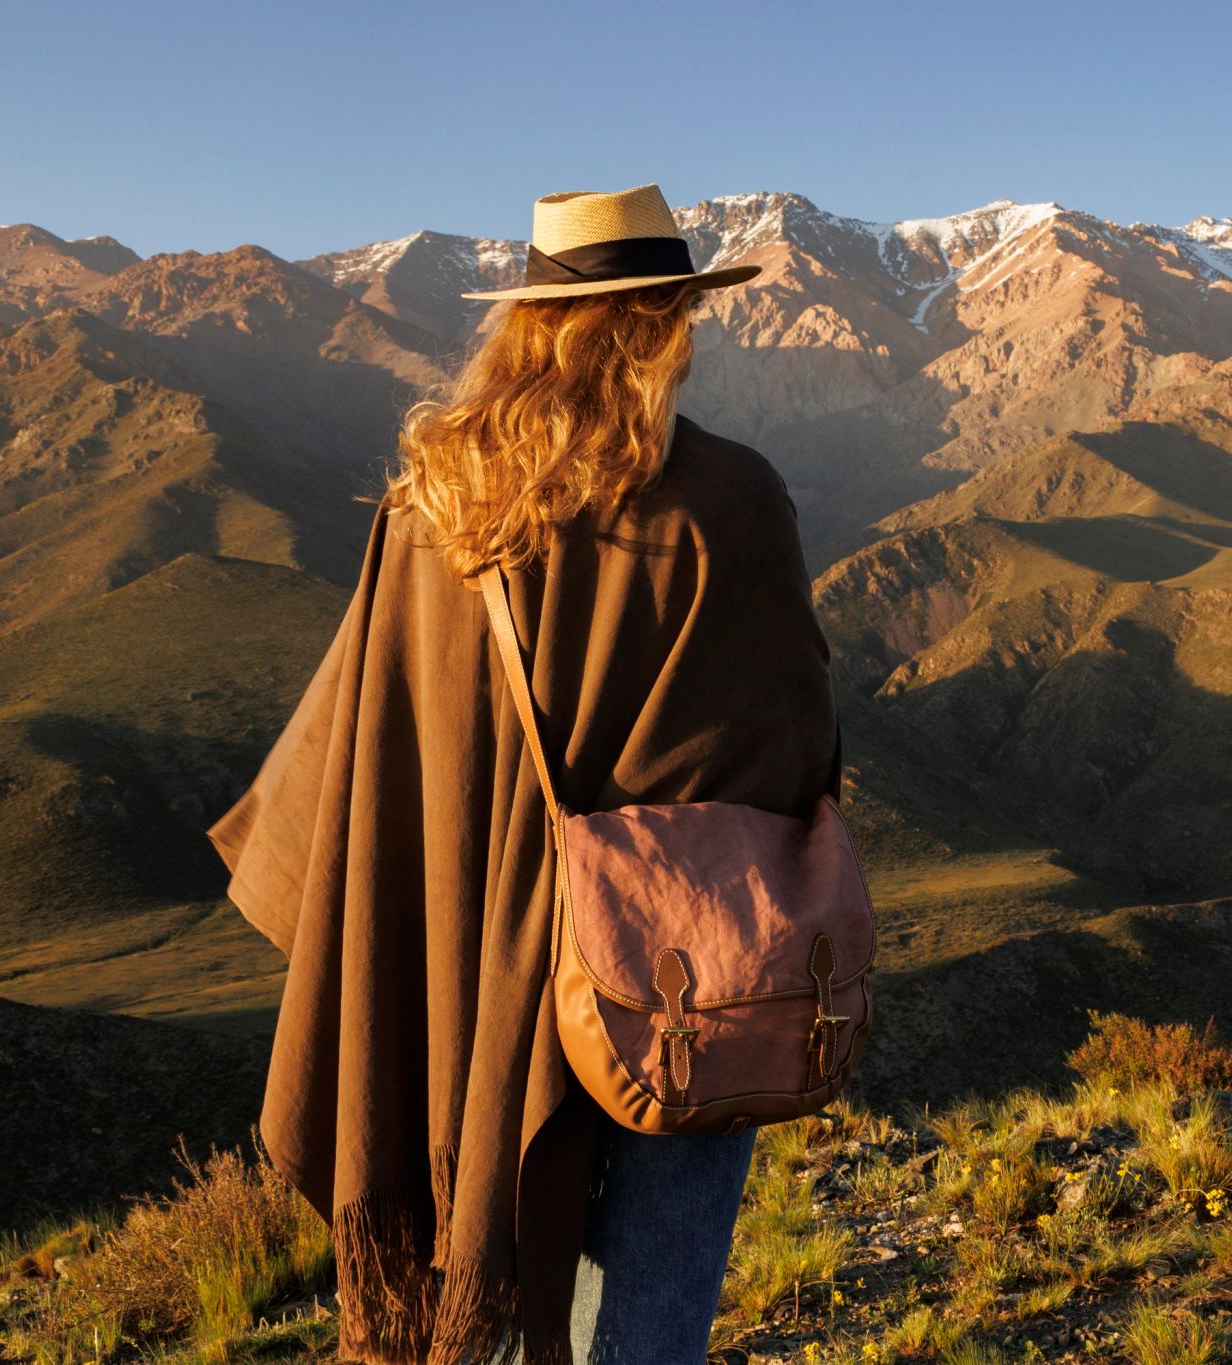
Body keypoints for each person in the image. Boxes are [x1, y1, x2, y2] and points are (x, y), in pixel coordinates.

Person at [206, 183, 842, 1365]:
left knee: (486, 1238)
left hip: (466, 949)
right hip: (673, 963)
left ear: (528, 324)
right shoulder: (729, 502)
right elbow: (792, 742)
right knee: (656, 1278)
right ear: (665, 321)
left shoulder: (428, 504)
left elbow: (370, 750)